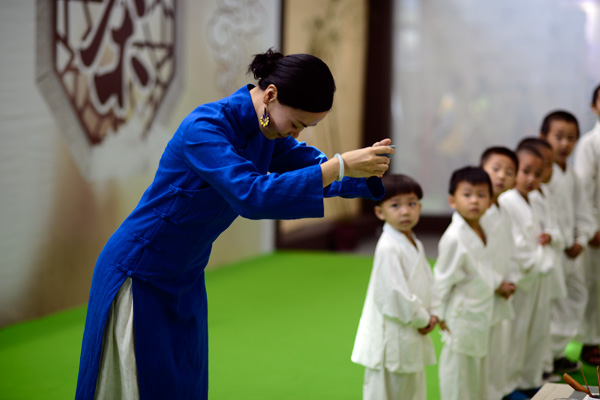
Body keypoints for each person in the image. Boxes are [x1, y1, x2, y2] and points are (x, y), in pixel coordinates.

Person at [75, 49, 395, 400]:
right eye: (298, 124)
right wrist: (341, 165)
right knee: (141, 385)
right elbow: (252, 195)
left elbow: (311, 167)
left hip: (185, 276)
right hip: (139, 271)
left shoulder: (268, 131)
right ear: (271, 95)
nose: (296, 136)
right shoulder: (205, 127)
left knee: (185, 385)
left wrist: (367, 174)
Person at [352, 174, 438, 400]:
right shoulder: (388, 247)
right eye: (395, 205)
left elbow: (427, 282)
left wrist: (434, 312)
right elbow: (393, 295)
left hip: (410, 329)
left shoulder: (413, 241)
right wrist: (423, 318)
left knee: (411, 390)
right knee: (389, 392)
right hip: (394, 334)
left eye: (411, 204)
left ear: (419, 207)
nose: (405, 211)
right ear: (380, 212)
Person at [540, 110, 595, 375]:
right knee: (548, 307)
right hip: (546, 253)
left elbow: (583, 213)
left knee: (575, 296)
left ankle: (557, 353)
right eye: (558, 137)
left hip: (569, 252)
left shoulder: (571, 175)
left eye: (570, 138)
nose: (565, 144)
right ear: (543, 137)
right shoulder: (540, 177)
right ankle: (543, 360)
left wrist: (581, 239)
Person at [432, 166, 495, 400]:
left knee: (475, 375)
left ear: (490, 200)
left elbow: (483, 269)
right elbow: (441, 279)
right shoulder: (454, 237)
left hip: (480, 310)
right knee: (457, 374)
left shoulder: (482, 228)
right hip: (459, 316)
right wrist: (438, 314)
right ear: (452, 200)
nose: (474, 201)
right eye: (467, 195)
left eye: (481, 195)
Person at [498, 145, 555, 393]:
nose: (532, 179)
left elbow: (548, 231)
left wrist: (547, 241)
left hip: (538, 275)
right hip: (521, 276)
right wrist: (540, 255)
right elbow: (515, 245)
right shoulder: (506, 201)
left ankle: (530, 380)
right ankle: (510, 384)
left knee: (536, 330)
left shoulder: (535, 199)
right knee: (516, 332)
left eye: (537, 174)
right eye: (526, 172)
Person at [479, 147, 518, 400]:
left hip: (501, 288)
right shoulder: (477, 211)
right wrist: (496, 282)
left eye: (509, 172)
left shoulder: (504, 208)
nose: (501, 176)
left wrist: (509, 279)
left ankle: (499, 391)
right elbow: (474, 259)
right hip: (482, 290)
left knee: (500, 345)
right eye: (495, 169)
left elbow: (507, 249)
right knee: (483, 350)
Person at [574, 84, 600, 366]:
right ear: (594, 107)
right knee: (595, 286)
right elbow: (584, 189)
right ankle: (591, 341)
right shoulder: (590, 144)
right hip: (598, 230)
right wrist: (591, 227)